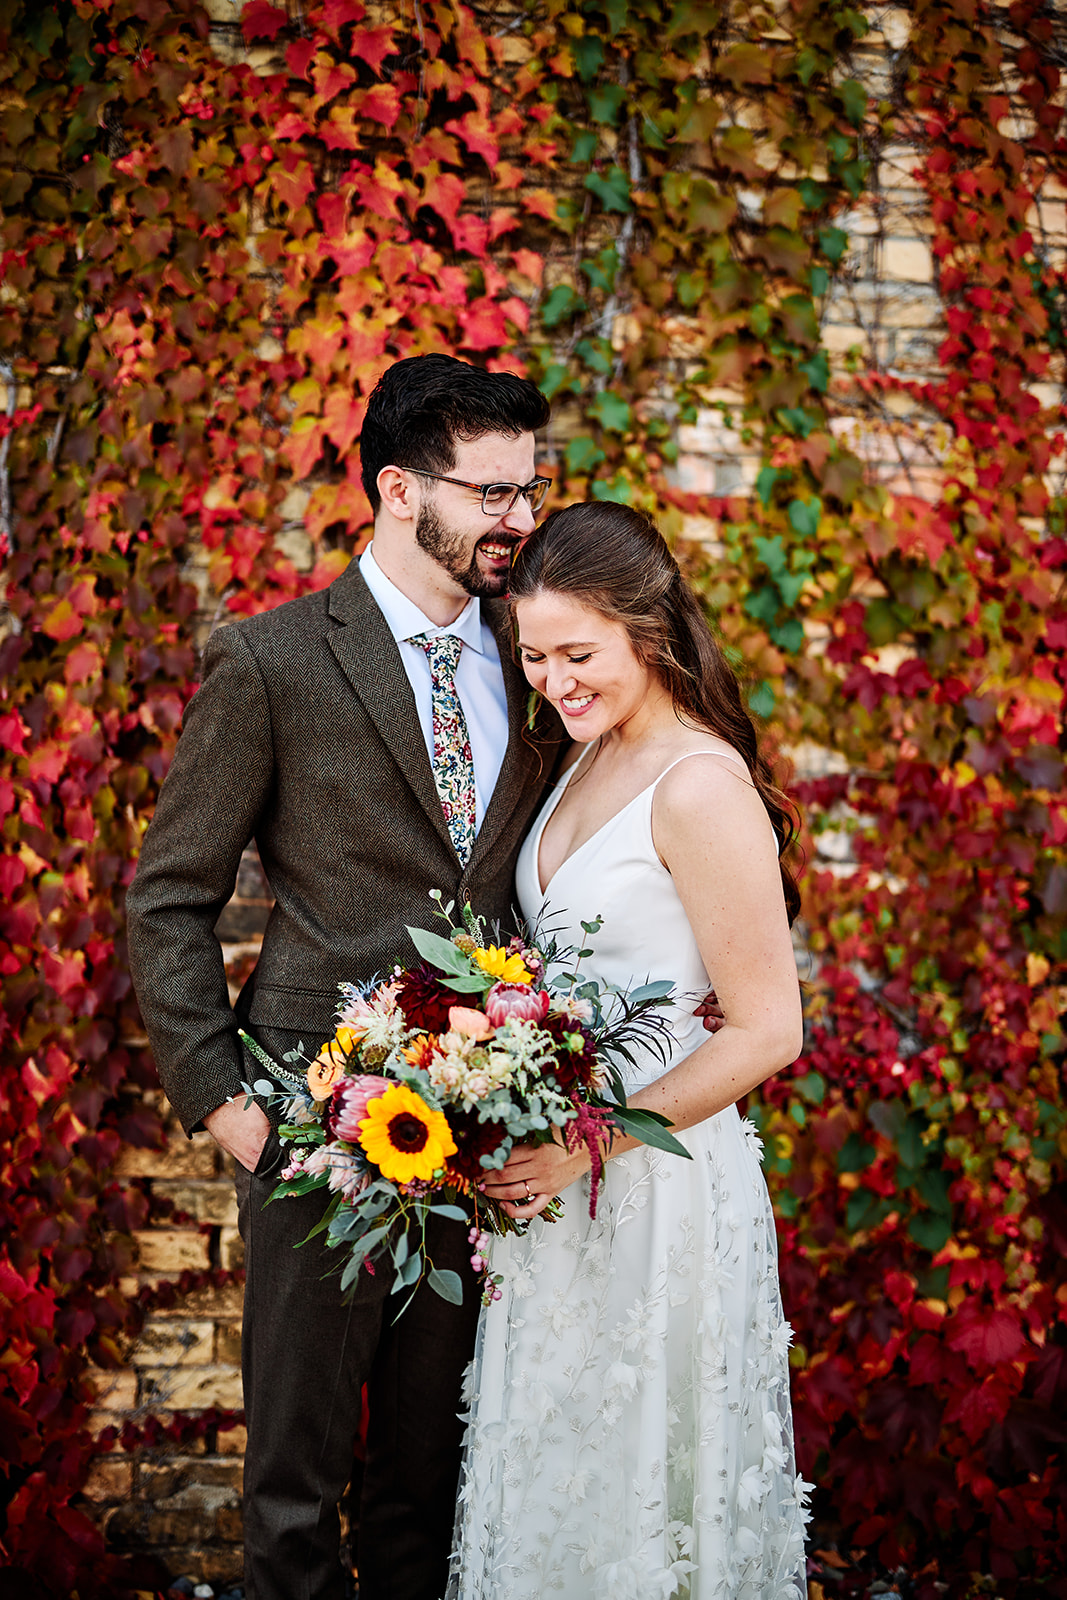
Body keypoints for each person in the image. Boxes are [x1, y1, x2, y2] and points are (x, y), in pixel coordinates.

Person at [125, 354, 562, 1600]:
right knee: (294, 1491)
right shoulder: (269, 661)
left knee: (430, 1486)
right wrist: (226, 1105)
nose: (519, 520)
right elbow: (169, 897)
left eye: (530, 489)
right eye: (491, 493)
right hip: (314, 1129)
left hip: (487, 1136)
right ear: (394, 489)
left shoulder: (537, 658)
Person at [447, 502, 811, 1599]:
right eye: (534, 655)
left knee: (643, 1486)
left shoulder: (697, 784)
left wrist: (584, 1140)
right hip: (552, 1189)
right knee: (555, 1472)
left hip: (655, 1189)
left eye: (577, 653)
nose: (554, 680)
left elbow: (765, 1028)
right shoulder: (579, 755)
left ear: (645, 628)